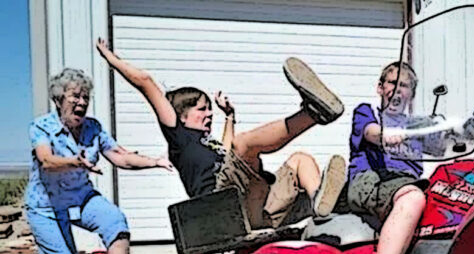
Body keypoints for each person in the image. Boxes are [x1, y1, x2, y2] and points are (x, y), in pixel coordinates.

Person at [95, 39, 346, 229]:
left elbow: (227, 155)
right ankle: (314, 114)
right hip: (222, 204)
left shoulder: (208, 142)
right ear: (181, 115)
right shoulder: (179, 137)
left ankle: (322, 211)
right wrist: (110, 58)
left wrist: (229, 117)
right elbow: (146, 82)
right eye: (202, 109)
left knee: (300, 160)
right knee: (244, 144)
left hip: (257, 206)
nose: (209, 114)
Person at [26, 68, 173, 254]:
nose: (81, 102)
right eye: (75, 96)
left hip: (80, 196)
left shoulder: (93, 127)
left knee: (114, 219)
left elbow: (120, 155)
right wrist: (75, 161)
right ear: (59, 99)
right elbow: (46, 160)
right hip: (46, 207)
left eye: (85, 97)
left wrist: (154, 161)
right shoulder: (41, 127)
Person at [345, 61, 428, 254]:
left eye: (403, 86)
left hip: (404, 183)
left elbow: (446, 141)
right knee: (413, 199)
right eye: (391, 83)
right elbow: (368, 131)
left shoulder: (417, 125)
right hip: (371, 179)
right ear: (380, 88)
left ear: (411, 95)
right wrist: (383, 135)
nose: (396, 90)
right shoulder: (367, 113)